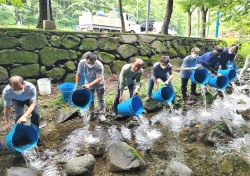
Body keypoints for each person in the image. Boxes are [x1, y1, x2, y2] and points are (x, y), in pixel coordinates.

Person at [76, 52, 106, 122]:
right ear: (86, 60)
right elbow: (78, 74)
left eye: (93, 63)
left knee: (100, 99)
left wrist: (89, 85)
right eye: (89, 63)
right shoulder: (82, 63)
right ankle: (91, 113)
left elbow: (99, 79)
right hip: (88, 82)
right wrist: (77, 86)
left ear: (95, 60)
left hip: (99, 84)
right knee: (90, 99)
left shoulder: (99, 65)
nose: (91, 65)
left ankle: (102, 114)